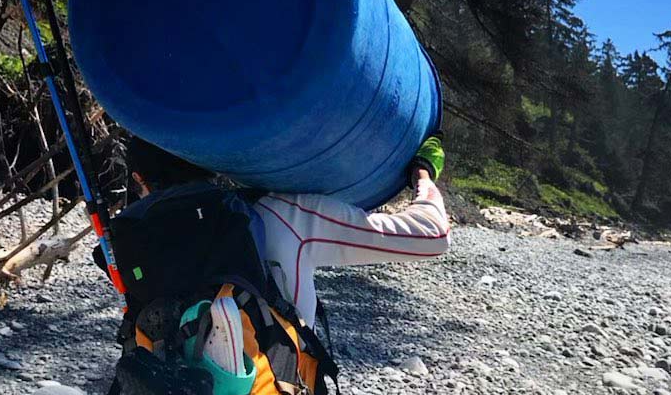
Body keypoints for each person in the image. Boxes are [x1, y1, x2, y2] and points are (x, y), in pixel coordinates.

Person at [120, 135, 451, 329]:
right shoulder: (286, 213)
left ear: (139, 178)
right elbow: (431, 236)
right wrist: (422, 174)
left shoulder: (133, 245)